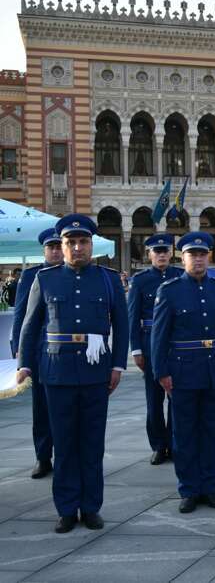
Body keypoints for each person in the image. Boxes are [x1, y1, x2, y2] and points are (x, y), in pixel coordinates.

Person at [15, 214, 128, 533]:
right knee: (64, 444)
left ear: (92, 245)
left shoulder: (107, 279)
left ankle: (91, 507)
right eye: (70, 243)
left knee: (92, 443)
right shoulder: (46, 279)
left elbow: (121, 324)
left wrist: (118, 364)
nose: (77, 248)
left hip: (96, 372)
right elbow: (30, 324)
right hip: (57, 372)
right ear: (62, 246)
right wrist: (25, 362)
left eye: (83, 242)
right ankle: (66, 508)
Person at [151, 231, 215, 514]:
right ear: (183, 257)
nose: (198, 259)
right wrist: (161, 371)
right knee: (185, 434)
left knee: (211, 432)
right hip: (183, 372)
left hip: (214, 371)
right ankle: (188, 489)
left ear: (209, 256)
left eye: (202, 254)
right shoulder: (170, 290)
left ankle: (210, 487)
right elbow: (159, 336)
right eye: (192, 255)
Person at [127, 234, 184, 465]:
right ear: (149, 254)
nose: (161, 255)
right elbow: (132, 317)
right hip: (150, 344)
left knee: (177, 397)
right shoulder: (140, 281)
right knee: (154, 399)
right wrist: (136, 350)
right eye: (156, 251)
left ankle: (174, 442)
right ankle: (159, 445)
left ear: (171, 253)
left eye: (165, 251)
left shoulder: (179, 276)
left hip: (175, 344)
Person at [11, 228, 63, 479]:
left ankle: (64, 456)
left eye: (57, 246)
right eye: (50, 247)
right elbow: (21, 315)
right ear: (44, 250)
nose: (54, 251)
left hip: (65, 353)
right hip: (41, 352)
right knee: (41, 409)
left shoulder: (73, 274)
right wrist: (20, 351)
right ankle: (43, 457)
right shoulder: (33, 275)